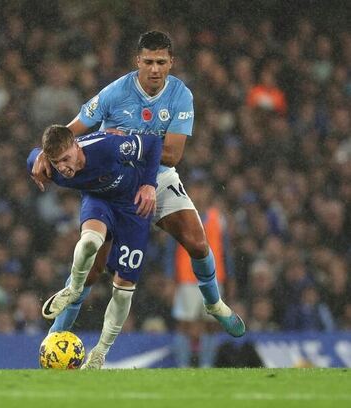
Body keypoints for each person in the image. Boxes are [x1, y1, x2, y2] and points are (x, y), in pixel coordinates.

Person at [31, 31, 245, 338]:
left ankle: (214, 304)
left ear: (171, 62)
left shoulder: (181, 96)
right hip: (111, 182)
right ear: (138, 62)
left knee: (198, 243)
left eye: (161, 62)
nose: (154, 69)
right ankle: (55, 335)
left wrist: (131, 143)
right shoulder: (115, 93)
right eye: (148, 62)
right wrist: (45, 153)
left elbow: (172, 154)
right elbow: (72, 130)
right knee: (92, 271)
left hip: (156, 177)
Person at [28, 124, 162, 369]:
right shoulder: (52, 169)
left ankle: (100, 351)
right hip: (99, 201)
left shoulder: (109, 148)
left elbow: (153, 143)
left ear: (77, 146)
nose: (64, 167)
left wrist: (149, 184)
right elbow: (31, 158)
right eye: (57, 162)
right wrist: (36, 159)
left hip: (132, 207)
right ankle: (73, 289)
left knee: (123, 289)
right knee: (90, 241)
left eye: (67, 158)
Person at [166, 170, 235, 367]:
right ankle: (183, 366)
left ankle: (207, 366)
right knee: (184, 325)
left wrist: (230, 279)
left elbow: (225, 251)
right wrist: (171, 280)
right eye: (196, 187)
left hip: (214, 279)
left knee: (212, 325)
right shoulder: (179, 216)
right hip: (187, 279)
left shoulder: (217, 218)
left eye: (202, 188)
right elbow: (171, 251)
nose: (199, 192)